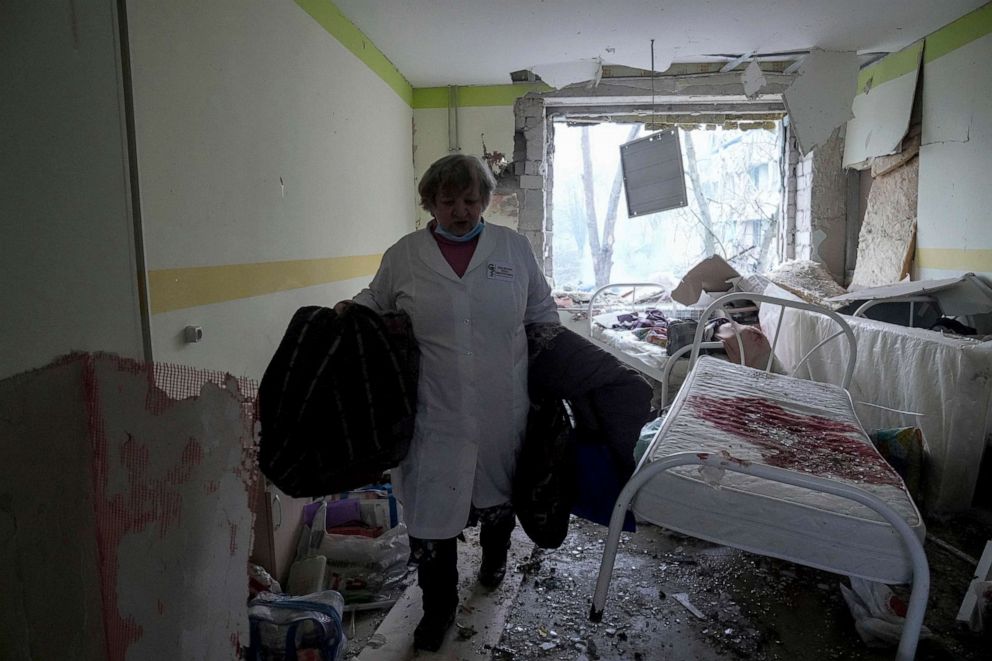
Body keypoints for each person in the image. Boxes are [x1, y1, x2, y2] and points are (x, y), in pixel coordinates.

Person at [335, 154, 559, 651]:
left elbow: (543, 313)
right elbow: (376, 301)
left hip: (505, 404)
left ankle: (495, 560)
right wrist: (349, 310)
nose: (461, 211)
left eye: (471, 200)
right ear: (429, 203)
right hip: (432, 410)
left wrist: (551, 382)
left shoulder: (513, 248)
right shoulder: (405, 255)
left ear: (486, 199)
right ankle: (437, 609)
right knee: (432, 516)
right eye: (449, 201)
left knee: (500, 497)